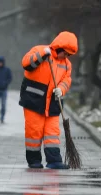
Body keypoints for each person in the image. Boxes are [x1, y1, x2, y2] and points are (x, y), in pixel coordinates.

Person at [19, 31, 78, 169]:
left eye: (69, 55)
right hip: (34, 100)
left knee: (52, 132)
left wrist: (61, 90)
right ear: (60, 47)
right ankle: (34, 161)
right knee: (34, 131)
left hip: (53, 102)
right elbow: (26, 64)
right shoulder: (40, 50)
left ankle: (54, 161)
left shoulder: (67, 64)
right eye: (66, 53)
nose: (67, 56)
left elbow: (66, 79)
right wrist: (41, 55)